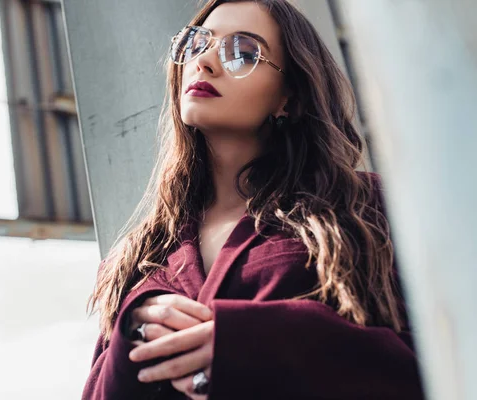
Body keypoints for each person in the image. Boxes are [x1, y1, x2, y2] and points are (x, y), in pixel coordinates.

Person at [82, 0, 425, 399]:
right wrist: (132, 340)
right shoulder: (139, 255)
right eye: (195, 44)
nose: (205, 62)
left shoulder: (362, 207)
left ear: (290, 99)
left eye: (242, 53)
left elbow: (441, 367)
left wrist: (248, 343)